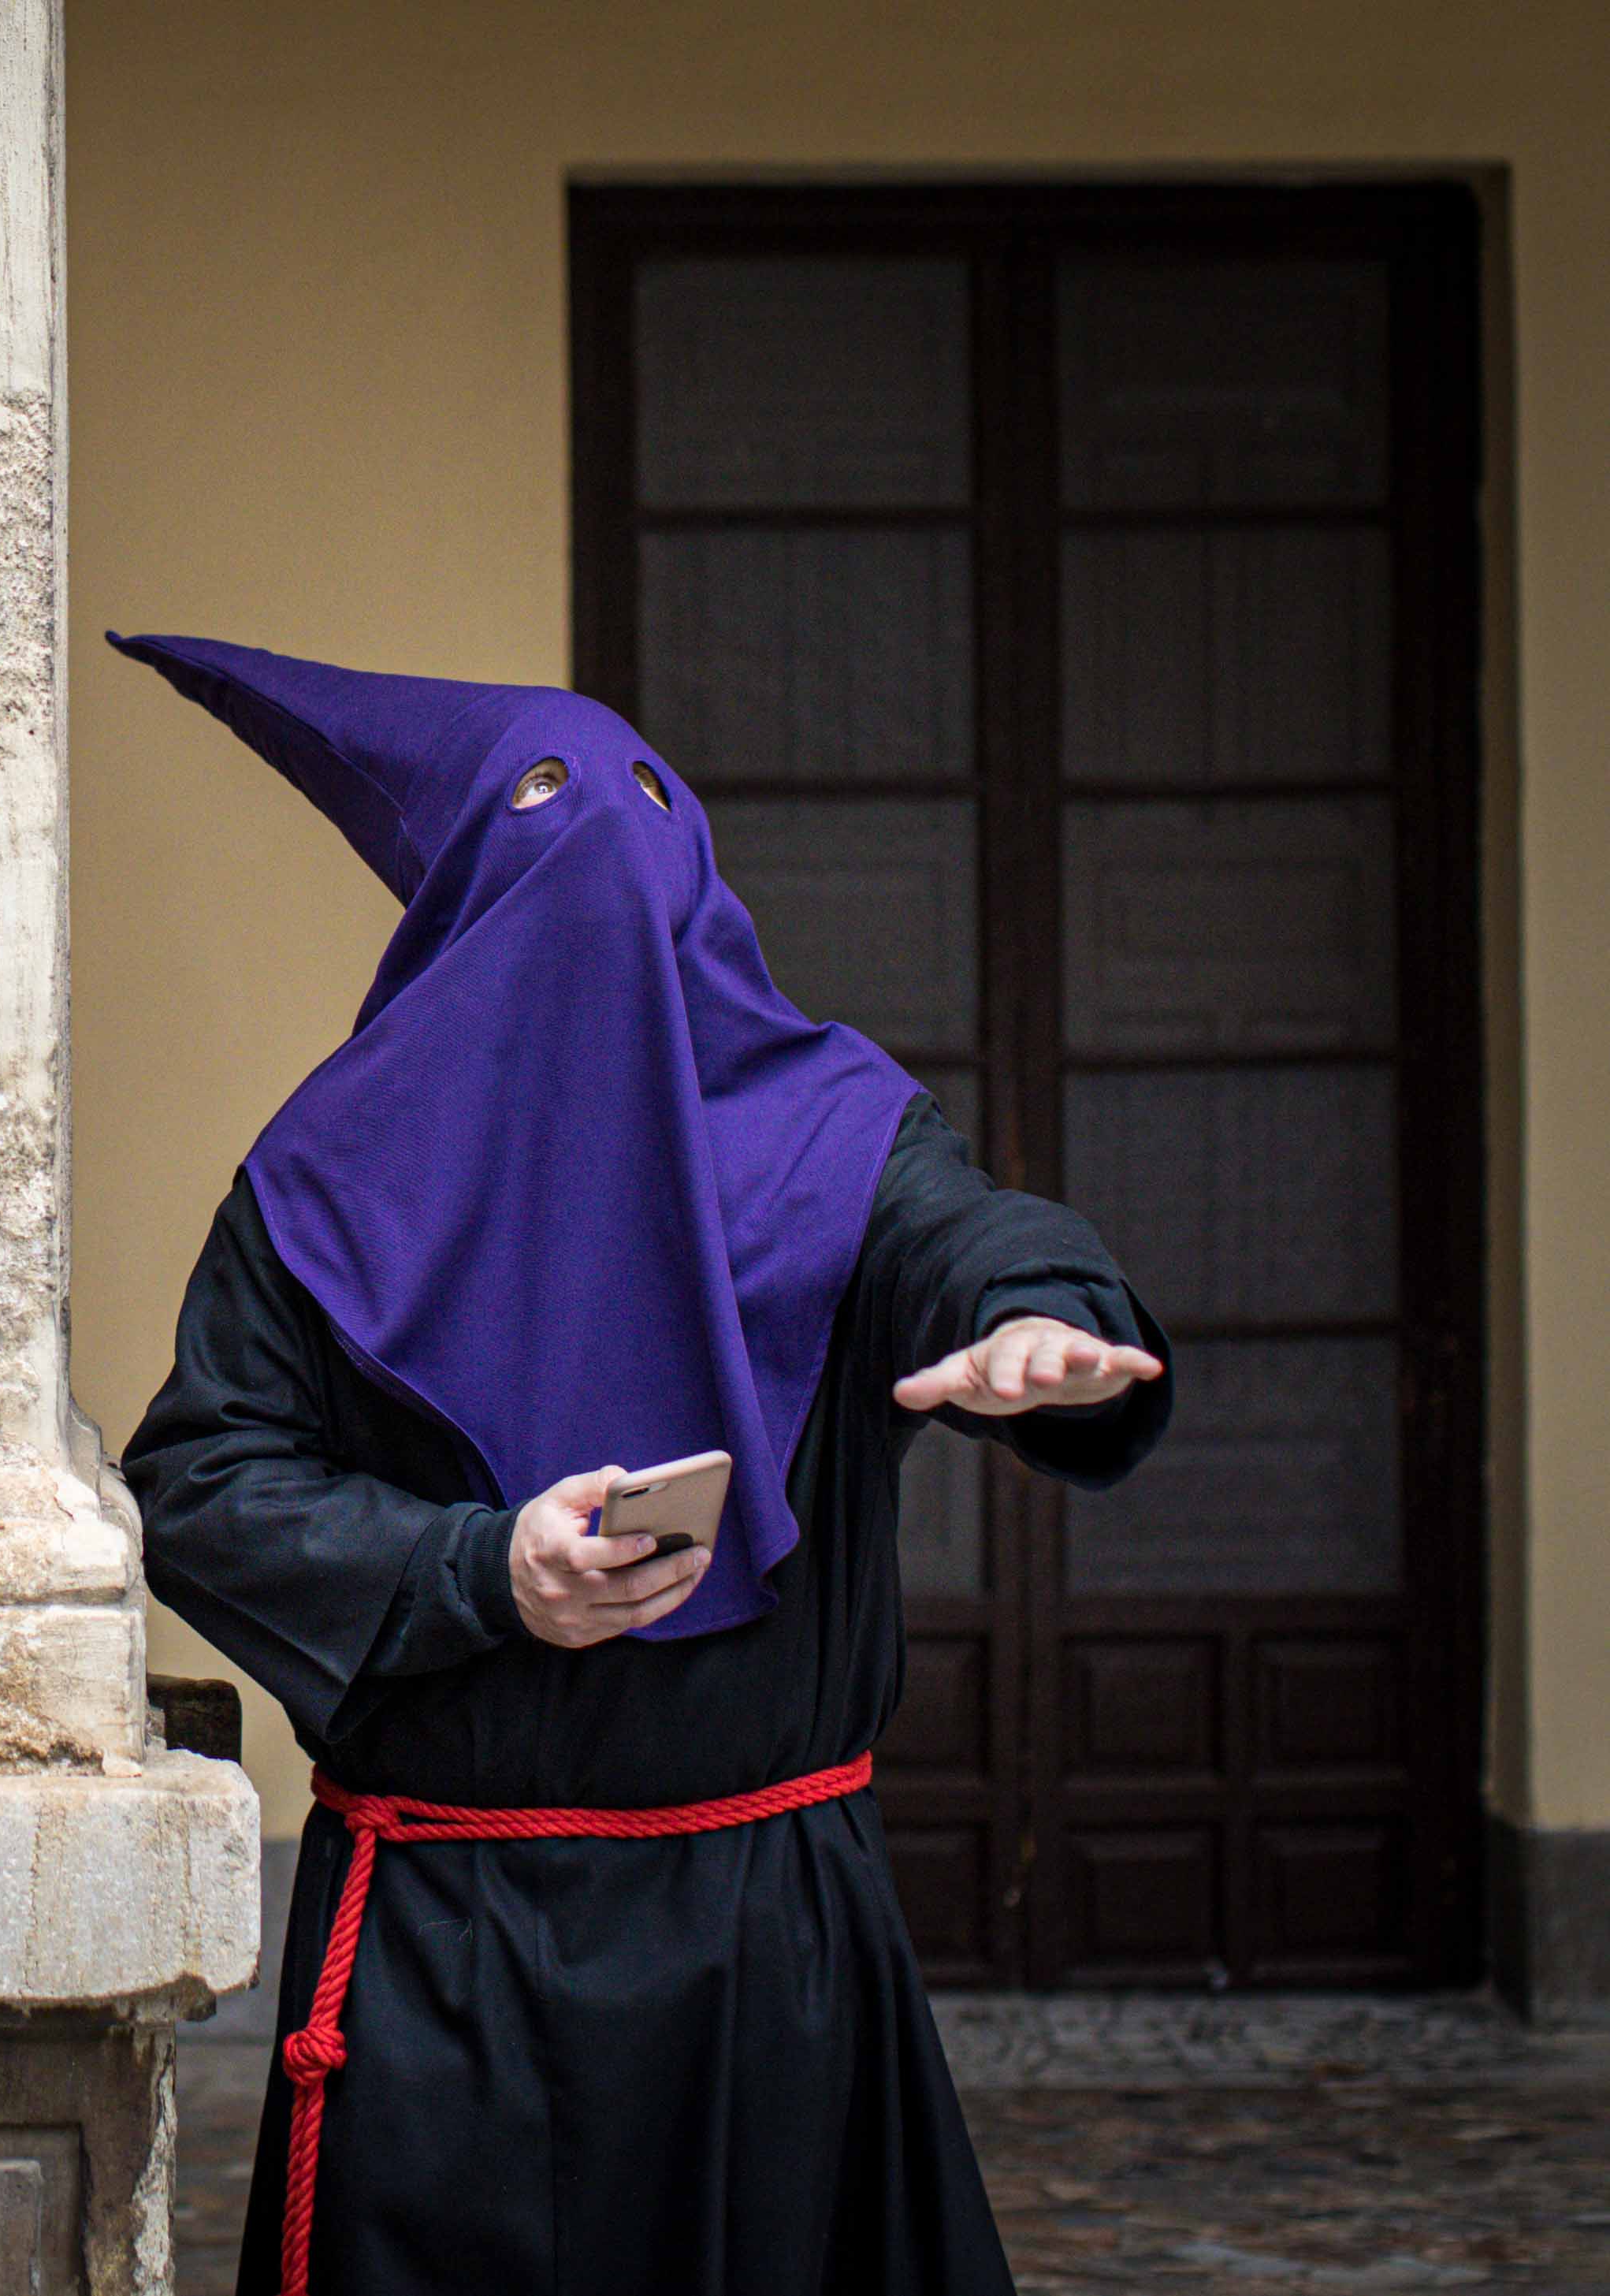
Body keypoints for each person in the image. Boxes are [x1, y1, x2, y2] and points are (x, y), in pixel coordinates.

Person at [108, 633, 1171, 2296]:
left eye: (629, 843)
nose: (590, 889)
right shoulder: (323, 1184)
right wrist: (484, 1564)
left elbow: (973, 1232)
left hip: (769, 1936)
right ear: (463, 889)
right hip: (454, 1951)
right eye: (539, 845)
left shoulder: (830, 1133)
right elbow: (201, 1480)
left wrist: (1044, 1315)